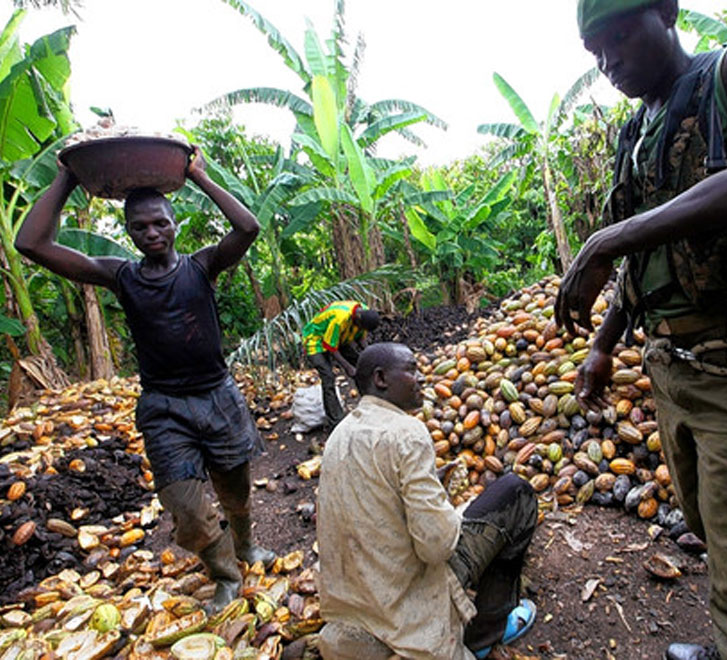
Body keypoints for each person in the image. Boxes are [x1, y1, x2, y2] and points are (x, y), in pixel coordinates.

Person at [556, 2, 727, 658]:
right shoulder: (638, 130)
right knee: (715, 531)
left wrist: (606, 240)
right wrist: (602, 345)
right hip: (672, 375)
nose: (607, 61)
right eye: (594, 52)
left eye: (617, 36)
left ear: (666, 11)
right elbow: (651, 260)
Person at [15, 146, 274, 612]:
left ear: (175, 225)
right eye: (140, 227)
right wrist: (67, 179)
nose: (152, 232)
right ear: (129, 233)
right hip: (164, 408)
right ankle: (225, 574)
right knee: (188, 513)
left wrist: (197, 176)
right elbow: (31, 245)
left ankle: (245, 545)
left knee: (235, 495)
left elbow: (248, 228)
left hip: (218, 397)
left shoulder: (201, 266)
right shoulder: (121, 276)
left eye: (160, 223)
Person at [316, 342, 538, 660]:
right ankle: (487, 633)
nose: (420, 379)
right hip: (405, 599)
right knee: (516, 493)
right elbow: (436, 546)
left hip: (354, 597)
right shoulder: (408, 432)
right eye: (411, 370)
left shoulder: (339, 433)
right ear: (381, 379)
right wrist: (452, 512)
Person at [301, 300, 380, 429]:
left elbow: (361, 339)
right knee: (328, 377)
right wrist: (347, 367)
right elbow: (331, 347)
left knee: (362, 366)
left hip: (340, 337)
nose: (360, 330)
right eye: (360, 327)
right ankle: (336, 422)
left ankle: (371, 406)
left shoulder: (364, 311)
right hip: (315, 340)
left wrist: (370, 356)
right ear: (357, 319)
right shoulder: (340, 318)